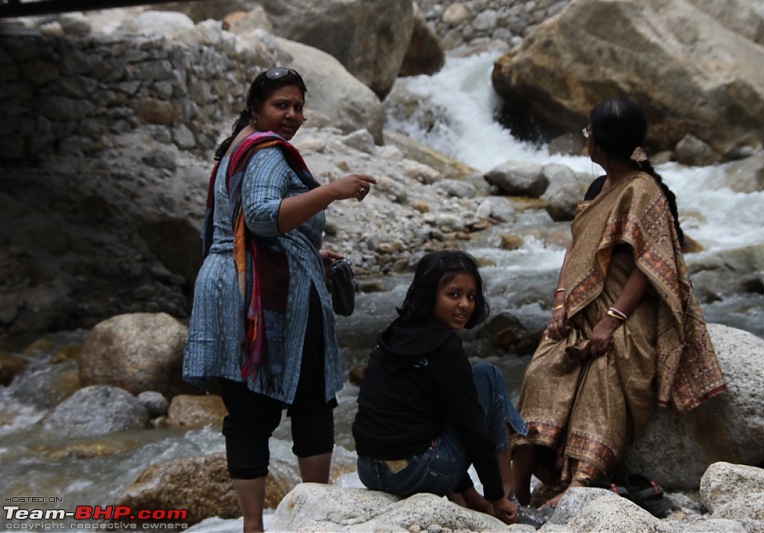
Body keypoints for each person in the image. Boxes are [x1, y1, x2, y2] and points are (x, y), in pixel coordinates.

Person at [182, 66, 376, 532]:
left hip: (225, 281)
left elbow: (237, 225)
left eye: (297, 106)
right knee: (312, 401)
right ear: (256, 108)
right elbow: (265, 217)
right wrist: (333, 190)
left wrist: (310, 249)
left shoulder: (235, 147)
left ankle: (253, 525)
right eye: (281, 105)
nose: (292, 115)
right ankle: (318, 516)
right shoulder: (268, 151)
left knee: (247, 414)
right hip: (267, 293)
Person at [511, 98, 727, 510]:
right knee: (541, 372)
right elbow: (575, 250)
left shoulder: (645, 191)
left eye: (589, 133)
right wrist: (560, 306)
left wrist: (610, 322)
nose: (586, 139)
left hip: (625, 313)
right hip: (579, 308)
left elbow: (650, 266)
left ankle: (579, 485)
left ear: (603, 145)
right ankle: (516, 491)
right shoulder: (599, 188)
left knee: (603, 380)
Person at [352, 250, 541, 526]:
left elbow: (432, 418)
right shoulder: (444, 347)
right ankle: (508, 499)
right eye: (454, 295)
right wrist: (496, 495)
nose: (465, 304)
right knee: (489, 377)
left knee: (443, 407)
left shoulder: (394, 332)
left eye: (471, 296)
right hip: (413, 473)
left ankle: (470, 498)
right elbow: (472, 428)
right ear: (430, 295)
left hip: (368, 468)